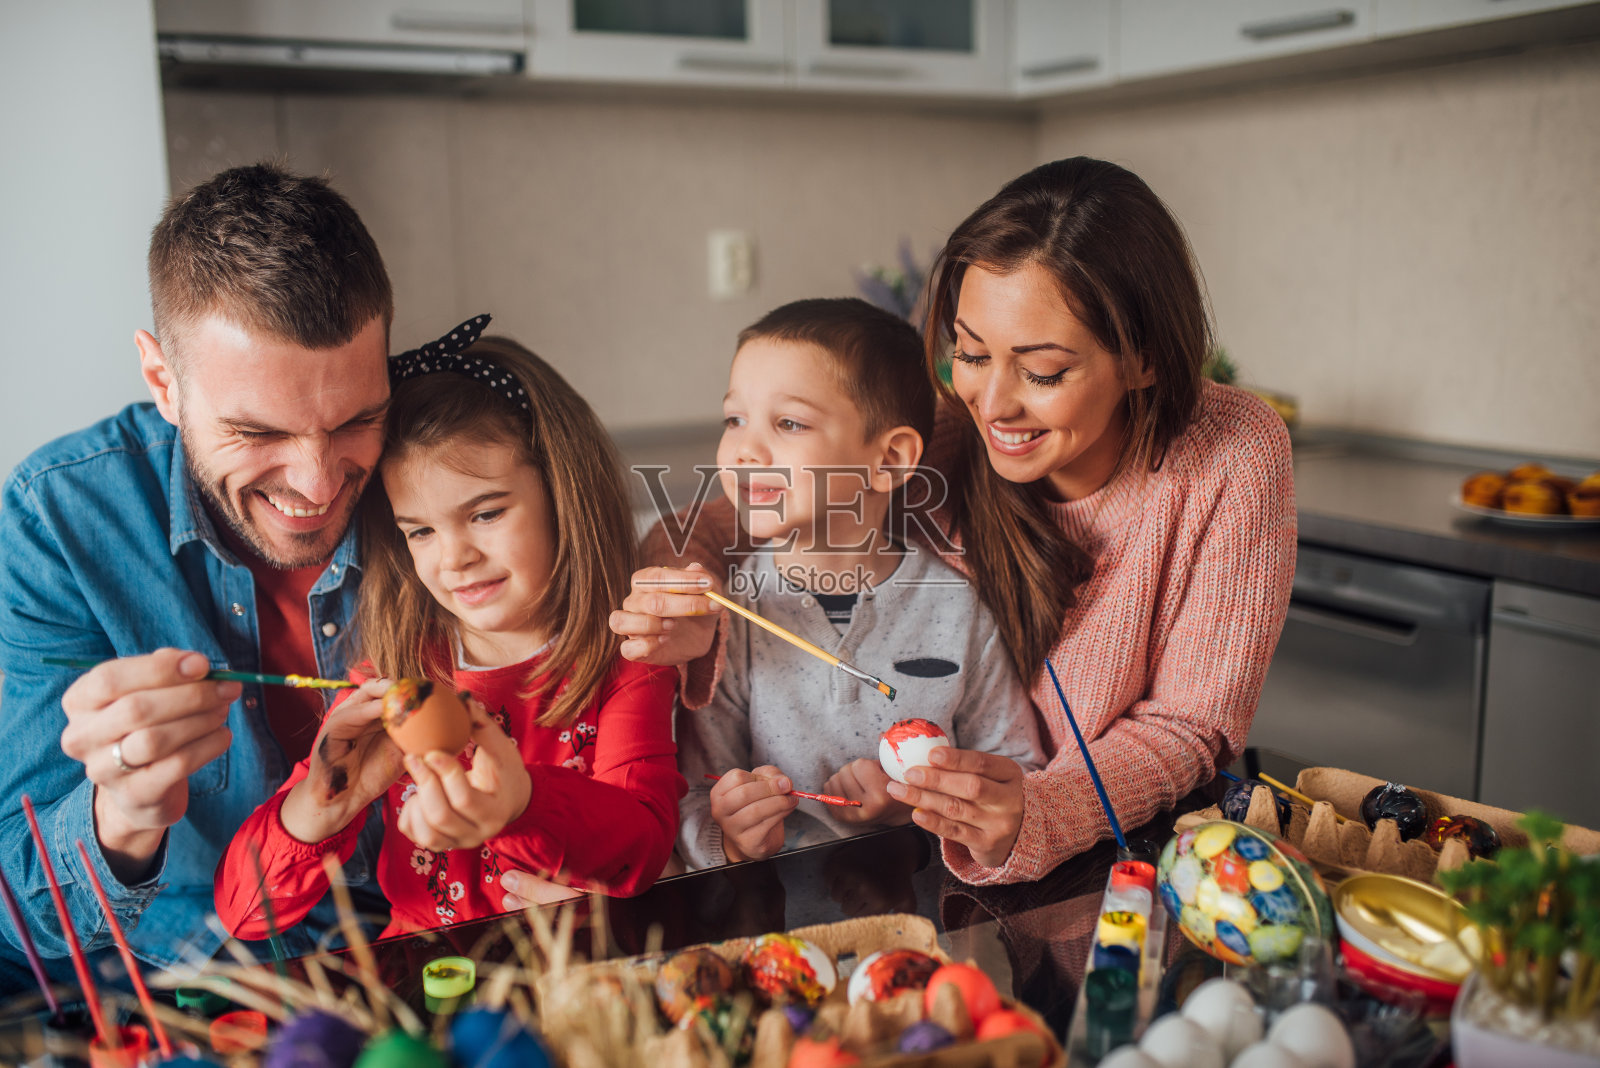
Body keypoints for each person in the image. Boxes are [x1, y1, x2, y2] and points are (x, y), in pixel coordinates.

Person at [610, 158, 1296, 886]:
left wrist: (1040, 809)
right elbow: (721, 521)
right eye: (968, 353)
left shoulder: (1232, 453)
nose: (990, 404)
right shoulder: (944, 433)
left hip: (1127, 854)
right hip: (944, 858)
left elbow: (1189, 727)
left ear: (1143, 358)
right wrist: (682, 592)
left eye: (1042, 372)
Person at [0, 163, 394, 983]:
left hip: (422, 950)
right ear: (162, 381)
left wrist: (717, 529)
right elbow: (18, 917)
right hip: (184, 985)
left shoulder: (439, 458)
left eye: (358, 419)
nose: (319, 485)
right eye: (258, 432)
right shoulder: (59, 520)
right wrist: (122, 818)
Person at [216, 334, 684, 937]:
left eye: (486, 514)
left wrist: (521, 804)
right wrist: (322, 803)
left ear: (563, 498)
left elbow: (643, 847)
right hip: (426, 977)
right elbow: (245, 917)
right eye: (421, 532)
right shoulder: (393, 682)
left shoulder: (629, 660)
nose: (455, 558)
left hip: (575, 977)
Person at [674, 298, 1044, 870]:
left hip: (938, 912)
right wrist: (731, 838)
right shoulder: (731, 612)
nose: (744, 450)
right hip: (779, 925)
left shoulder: (959, 609)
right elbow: (692, 798)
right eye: (734, 419)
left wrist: (915, 807)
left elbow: (1018, 776)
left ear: (889, 459)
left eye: (789, 423)